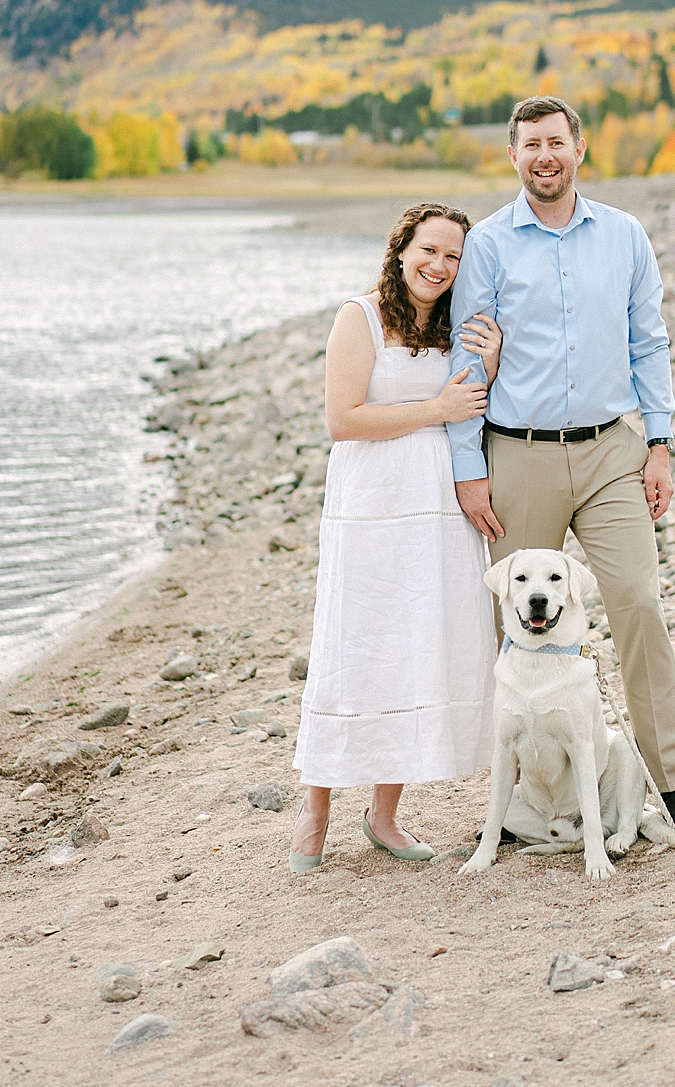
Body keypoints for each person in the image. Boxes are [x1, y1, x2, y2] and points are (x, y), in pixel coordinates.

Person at [447, 96, 675, 848]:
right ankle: (520, 798)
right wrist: (467, 466)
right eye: (530, 145)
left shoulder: (624, 234)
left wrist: (660, 443)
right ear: (514, 156)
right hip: (519, 451)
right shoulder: (487, 244)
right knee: (517, 619)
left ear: (579, 148)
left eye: (556, 142)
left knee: (638, 601)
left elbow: (650, 341)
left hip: (613, 450)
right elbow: (466, 357)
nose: (544, 156)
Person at [289, 202, 501, 870]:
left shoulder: (456, 324)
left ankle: (383, 815)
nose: (439, 265)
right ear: (401, 249)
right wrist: (434, 409)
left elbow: (473, 407)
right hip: (372, 503)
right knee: (354, 647)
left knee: (416, 647)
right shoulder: (360, 316)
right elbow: (343, 419)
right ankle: (316, 808)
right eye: (428, 250)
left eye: (453, 256)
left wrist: (491, 364)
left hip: (435, 504)